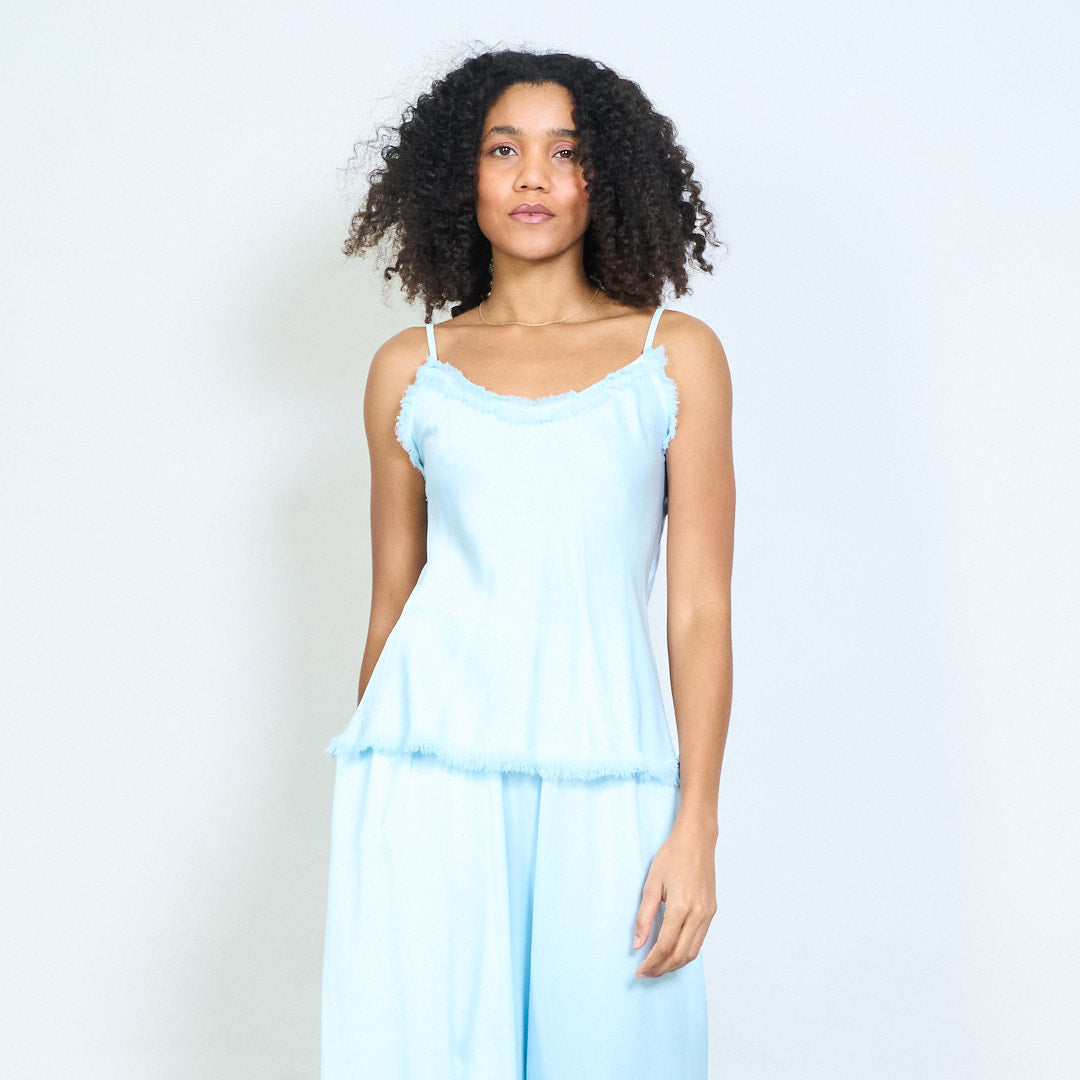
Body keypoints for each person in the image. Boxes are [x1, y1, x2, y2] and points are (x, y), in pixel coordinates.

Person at [320, 47, 735, 1079]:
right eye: (504, 150)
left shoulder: (673, 356)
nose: (535, 176)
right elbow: (390, 609)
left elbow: (699, 608)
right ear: (460, 175)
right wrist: (373, 817)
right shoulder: (411, 370)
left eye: (566, 151)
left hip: (610, 770)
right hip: (428, 779)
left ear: (607, 177)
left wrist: (696, 825)